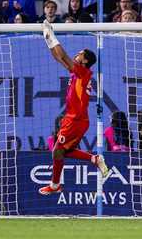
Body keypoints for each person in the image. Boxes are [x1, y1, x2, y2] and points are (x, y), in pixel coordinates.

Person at [38, 20, 108, 195]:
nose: (77, 54)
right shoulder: (76, 73)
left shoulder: (83, 72)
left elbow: (64, 56)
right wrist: (47, 37)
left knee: (58, 151)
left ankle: (55, 185)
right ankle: (95, 159)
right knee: (62, 152)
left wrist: (52, 34)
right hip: (74, 118)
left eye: (80, 53)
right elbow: (57, 56)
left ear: (84, 61)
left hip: (75, 119)